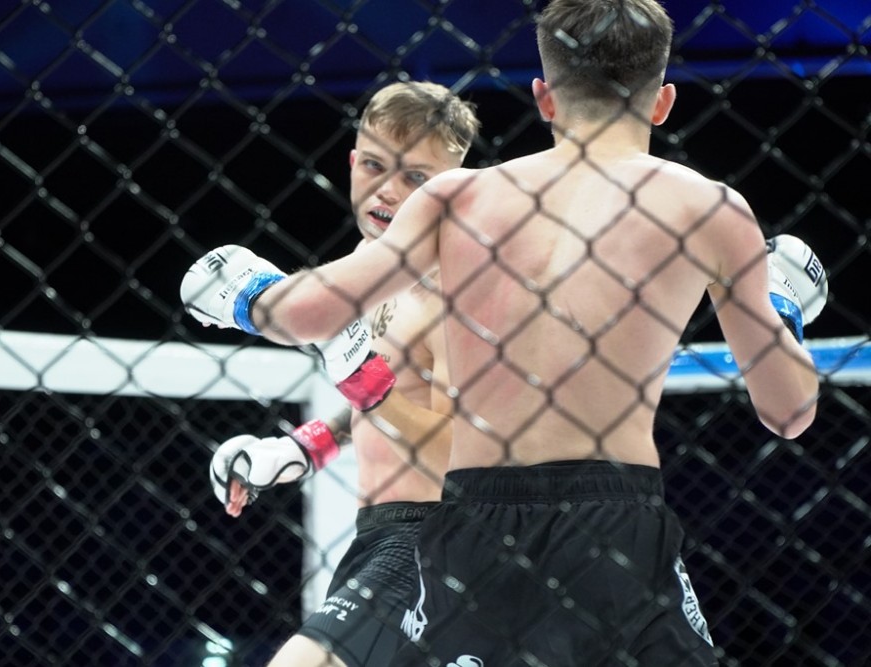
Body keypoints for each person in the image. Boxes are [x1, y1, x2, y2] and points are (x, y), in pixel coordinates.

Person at [182, 0, 827, 663]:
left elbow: (308, 315)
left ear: (543, 98)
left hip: (474, 524)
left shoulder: (457, 198)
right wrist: (779, 307)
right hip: (615, 516)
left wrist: (246, 291)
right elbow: (789, 411)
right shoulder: (708, 207)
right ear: (663, 103)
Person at [201, 81, 480, 667]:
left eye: (416, 177)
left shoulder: (458, 290)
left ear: (452, 187)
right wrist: (302, 448)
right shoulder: (363, 268)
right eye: (375, 166)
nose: (388, 190)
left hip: (436, 536)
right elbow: (389, 395)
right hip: (380, 536)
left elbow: (466, 458)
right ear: (352, 163)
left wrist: (361, 379)